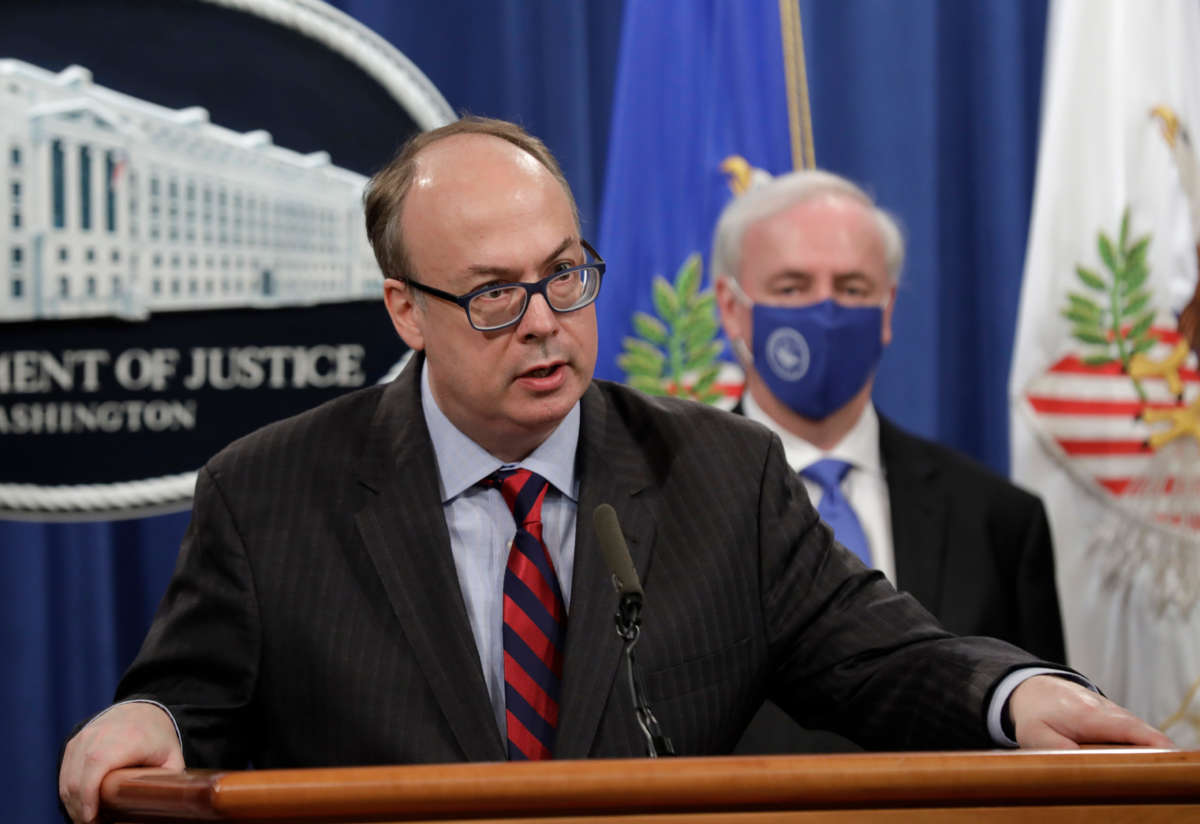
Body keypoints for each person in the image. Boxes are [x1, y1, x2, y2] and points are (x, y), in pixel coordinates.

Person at [60, 117, 1170, 824]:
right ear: (405, 308)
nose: (546, 326)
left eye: (566, 275)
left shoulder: (720, 476)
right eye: (495, 293)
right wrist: (150, 715)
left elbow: (883, 653)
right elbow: (192, 701)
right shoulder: (271, 492)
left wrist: (1017, 694)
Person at [710, 169, 1068, 753]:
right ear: (732, 307)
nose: (825, 312)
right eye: (793, 287)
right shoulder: (665, 504)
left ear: (887, 308)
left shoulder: (999, 520)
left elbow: (1044, 751)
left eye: (851, 288)